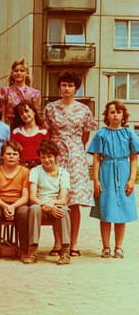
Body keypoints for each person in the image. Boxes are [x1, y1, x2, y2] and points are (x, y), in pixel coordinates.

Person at [44, 70, 97, 256]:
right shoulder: (50, 108)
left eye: (70, 85)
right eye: (64, 85)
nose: (67, 88)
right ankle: (58, 242)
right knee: (57, 198)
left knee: (73, 202)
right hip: (57, 154)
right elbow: (48, 133)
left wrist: (76, 149)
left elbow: (86, 134)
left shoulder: (84, 110)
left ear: (76, 88)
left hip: (75, 156)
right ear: (59, 86)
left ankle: (73, 243)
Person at [88, 100, 139, 259]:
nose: (115, 115)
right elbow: (96, 158)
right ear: (107, 115)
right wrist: (96, 180)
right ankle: (106, 247)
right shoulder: (102, 134)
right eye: (112, 112)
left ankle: (118, 246)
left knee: (121, 211)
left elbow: (134, 158)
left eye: (118, 112)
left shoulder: (129, 134)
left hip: (123, 171)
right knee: (106, 209)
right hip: (106, 172)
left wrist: (131, 180)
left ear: (123, 115)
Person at [23, 140, 71, 265]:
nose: (46, 160)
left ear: (55, 157)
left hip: (56, 206)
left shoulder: (64, 173)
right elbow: (32, 197)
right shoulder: (35, 171)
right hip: (40, 205)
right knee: (34, 209)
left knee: (64, 210)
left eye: (50, 156)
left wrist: (52, 205)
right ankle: (32, 251)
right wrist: (46, 206)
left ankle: (65, 251)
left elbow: (63, 199)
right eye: (43, 157)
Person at [0, 140, 29, 262]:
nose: (11, 157)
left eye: (15, 154)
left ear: (19, 157)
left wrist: (13, 206)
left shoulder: (25, 172)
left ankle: (24, 250)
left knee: (25, 212)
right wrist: (5, 206)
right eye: (8, 154)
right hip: (0, 202)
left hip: (19, 203)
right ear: (2, 156)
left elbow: (25, 196)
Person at [0, 58, 41, 125]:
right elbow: (3, 114)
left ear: (27, 73)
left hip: (27, 124)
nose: (19, 73)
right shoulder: (5, 91)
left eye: (22, 71)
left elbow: (37, 113)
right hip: (10, 124)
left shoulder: (34, 93)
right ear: (12, 73)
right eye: (16, 71)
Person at [10, 100, 49, 169]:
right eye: (21, 113)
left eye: (27, 111)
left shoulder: (43, 132)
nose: (24, 115)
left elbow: (46, 152)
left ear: (34, 112)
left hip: (39, 167)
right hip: (21, 168)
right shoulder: (16, 132)